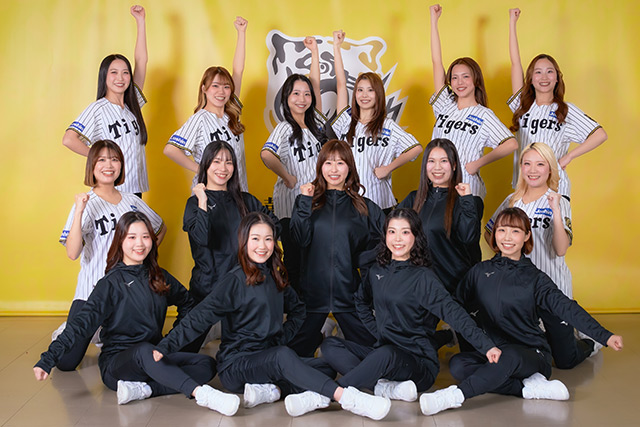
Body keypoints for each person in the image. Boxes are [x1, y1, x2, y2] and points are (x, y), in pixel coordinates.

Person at [154, 212, 392, 420]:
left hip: (267, 358)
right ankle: (347, 398)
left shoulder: (274, 276)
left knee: (325, 368)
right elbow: (199, 317)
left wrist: (281, 337)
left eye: (268, 239)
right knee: (283, 356)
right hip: (236, 365)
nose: (263, 246)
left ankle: (270, 392)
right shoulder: (234, 281)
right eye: (255, 239)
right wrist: (166, 345)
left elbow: (298, 310)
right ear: (244, 241)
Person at [419, 207, 623, 416]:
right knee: (458, 365)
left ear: (526, 236)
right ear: (494, 234)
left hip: (530, 354)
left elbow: (566, 307)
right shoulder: (479, 271)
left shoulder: (535, 278)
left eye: (515, 231)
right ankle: (526, 388)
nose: (507, 237)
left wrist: (605, 336)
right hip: (494, 352)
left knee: (510, 356)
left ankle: (454, 396)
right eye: (502, 230)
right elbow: (454, 306)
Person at [34, 212, 240, 416]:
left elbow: (188, 304)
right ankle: (202, 394)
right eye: (132, 237)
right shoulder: (110, 284)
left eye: (145, 236)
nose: (140, 244)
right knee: (144, 351)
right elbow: (81, 324)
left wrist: (171, 341)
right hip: (117, 366)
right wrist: (48, 358)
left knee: (206, 365)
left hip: (154, 355)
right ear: (120, 241)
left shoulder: (159, 276)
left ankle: (145, 389)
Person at [320, 208, 500, 403]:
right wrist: (377, 330)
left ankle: (329, 394)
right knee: (331, 345)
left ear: (416, 236)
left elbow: (454, 313)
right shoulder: (377, 271)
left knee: (385, 355)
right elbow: (361, 301)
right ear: (385, 235)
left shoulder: (423, 277)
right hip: (384, 351)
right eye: (392, 231)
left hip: (419, 364)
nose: (397, 239)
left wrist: (486, 346)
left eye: (405, 232)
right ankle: (385, 388)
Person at [53, 140, 166, 371]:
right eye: (102, 159)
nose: (109, 165)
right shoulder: (85, 203)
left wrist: (144, 253)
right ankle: (70, 330)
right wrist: (80, 211)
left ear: (121, 165)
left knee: (145, 351)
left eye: (114, 159)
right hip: (91, 292)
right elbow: (72, 253)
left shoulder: (132, 201)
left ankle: (104, 334)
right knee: (66, 363)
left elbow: (160, 227)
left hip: (127, 293)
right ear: (92, 165)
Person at [485, 142, 596, 369]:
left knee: (564, 360)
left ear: (550, 168)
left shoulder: (558, 200)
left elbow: (561, 249)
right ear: (521, 167)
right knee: (528, 349)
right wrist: (504, 249)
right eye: (527, 164)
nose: (533, 170)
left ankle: (590, 341)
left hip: (553, 286)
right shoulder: (512, 200)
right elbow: (490, 231)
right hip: (520, 289)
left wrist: (555, 211)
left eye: (540, 164)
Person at [288, 140, 386, 357]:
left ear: (349, 167)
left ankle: (334, 340)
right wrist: (305, 202)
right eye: (328, 163)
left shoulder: (364, 207)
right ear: (320, 166)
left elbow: (386, 243)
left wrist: (358, 262)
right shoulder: (307, 202)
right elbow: (299, 240)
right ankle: (321, 336)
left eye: (340, 163)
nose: (334, 169)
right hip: (312, 296)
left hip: (349, 295)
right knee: (292, 355)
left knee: (375, 354)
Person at [183, 140, 278, 350]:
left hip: (243, 287)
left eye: (228, 162)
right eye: (216, 161)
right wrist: (202, 201)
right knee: (184, 348)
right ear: (206, 165)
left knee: (247, 350)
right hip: (208, 287)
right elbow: (201, 238)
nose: (223, 168)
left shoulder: (247, 201)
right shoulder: (194, 203)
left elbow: (275, 227)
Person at [508, 8, 607, 198]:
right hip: (524, 185)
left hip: (555, 187)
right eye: (538, 72)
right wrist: (512, 23)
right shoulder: (522, 106)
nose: (544, 77)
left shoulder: (565, 110)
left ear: (557, 78)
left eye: (549, 72)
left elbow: (600, 135)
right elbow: (515, 63)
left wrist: (569, 156)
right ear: (530, 79)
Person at [429, 4, 517, 202]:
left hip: (467, 187)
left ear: (475, 79)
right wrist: (434, 21)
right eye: (454, 78)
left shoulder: (484, 114)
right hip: (437, 187)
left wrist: (477, 164)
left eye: (465, 76)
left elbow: (511, 143)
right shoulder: (444, 105)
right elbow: (436, 62)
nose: (459, 82)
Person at [261, 36, 328, 292]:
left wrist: (314, 52)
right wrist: (288, 177)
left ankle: (312, 308)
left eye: (306, 94)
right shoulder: (284, 127)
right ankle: (295, 309)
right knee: (295, 261)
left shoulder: (316, 125)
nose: (302, 98)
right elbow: (267, 155)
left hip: (315, 203)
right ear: (286, 97)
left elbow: (315, 85)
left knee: (314, 258)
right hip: (291, 206)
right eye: (296, 93)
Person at [62, 5, 150, 197]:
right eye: (114, 72)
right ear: (104, 76)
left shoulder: (132, 105)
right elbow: (69, 139)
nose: (120, 78)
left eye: (125, 73)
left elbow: (141, 61)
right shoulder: (98, 109)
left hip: (134, 188)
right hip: (114, 188)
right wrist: (102, 158)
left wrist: (141, 22)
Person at [331, 30, 423, 212]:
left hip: (380, 202)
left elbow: (416, 148)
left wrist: (388, 168)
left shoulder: (387, 125)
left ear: (378, 94)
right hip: (350, 201)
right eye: (360, 90)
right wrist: (336, 47)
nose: (364, 95)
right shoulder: (346, 121)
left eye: (370, 90)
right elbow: (341, 85)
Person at [164, 17, 249, 191]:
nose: (221, 91)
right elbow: (170, 149)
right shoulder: (200, 118)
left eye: (226, 87)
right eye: (215, 86)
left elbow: (238, 71)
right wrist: (202, 170)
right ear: (204, 89)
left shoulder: (231, 113)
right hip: (209, 192)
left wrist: (241, 33)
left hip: (237, 191)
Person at [397, 138, 482, 295]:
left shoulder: (469, 201)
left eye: (444, 161)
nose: (437, 167)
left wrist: (466, 200)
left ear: (454, 165)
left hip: (455, 290)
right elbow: (392, 235)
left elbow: (469, 238)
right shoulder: (413, 199)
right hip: (420, 289)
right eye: (431, 161)